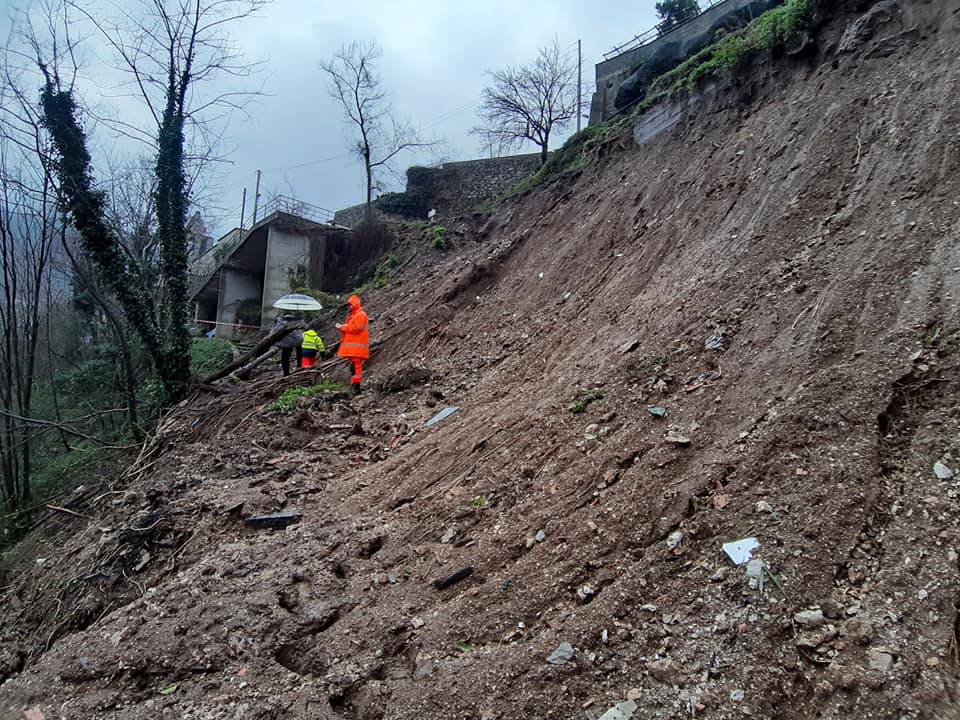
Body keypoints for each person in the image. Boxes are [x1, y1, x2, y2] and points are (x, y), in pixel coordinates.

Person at [337, 294, 369, 393]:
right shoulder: (354, 315)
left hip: (357, 347)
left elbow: (357, 328)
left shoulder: (361, 315)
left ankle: (356, 387)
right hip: (354, 348)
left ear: (354, 304)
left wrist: (343, 327)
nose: (349, 307)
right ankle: (354, 385)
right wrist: (342, 327)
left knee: (356, 367)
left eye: (350, 305)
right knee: (353, 367)